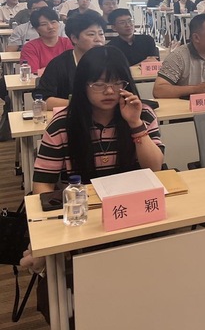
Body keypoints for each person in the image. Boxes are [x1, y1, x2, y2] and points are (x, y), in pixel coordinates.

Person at [20, 45, 165, 277]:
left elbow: (154, 167)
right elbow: (43, 183)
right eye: (98, 84)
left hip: (134, 210)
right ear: (82, 86)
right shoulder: (62, 123)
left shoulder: (142, 113)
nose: (109, 91)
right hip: (84, 215)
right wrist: (52, 226)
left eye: (117, 83)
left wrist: (135, 124)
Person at [38, 11, 107, 110]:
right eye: (91, 34)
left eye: (101, 34)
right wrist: (81, 104)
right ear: (74, 38)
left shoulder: (112, 61)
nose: (98, 39)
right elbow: (43, 100)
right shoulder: (59, 64)